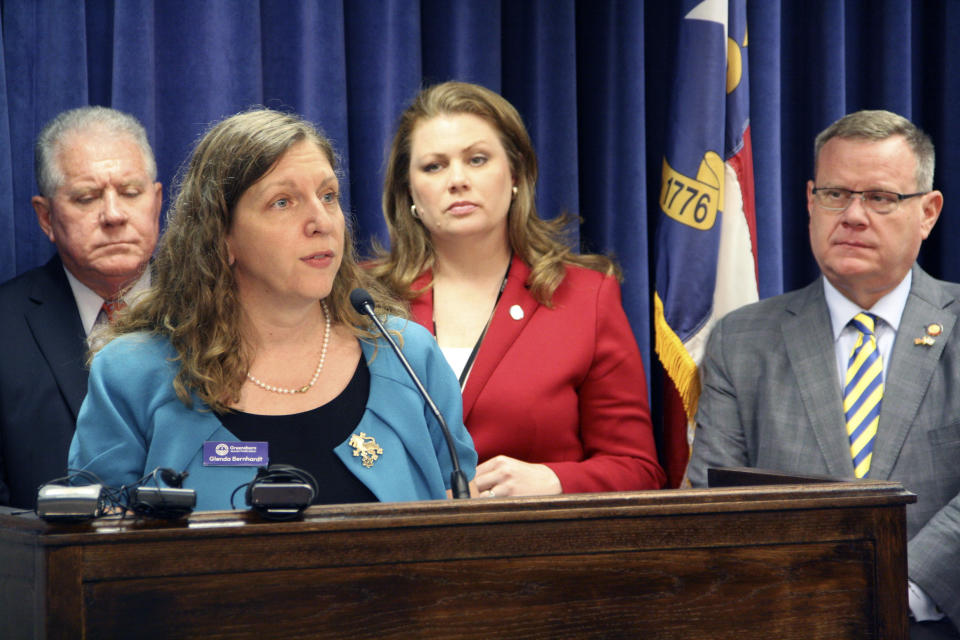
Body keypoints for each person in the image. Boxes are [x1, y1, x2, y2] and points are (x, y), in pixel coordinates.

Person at [68, 108, 477, 511]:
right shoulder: (134, 373)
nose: (321, 221)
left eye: (328, 196)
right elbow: (96, 546)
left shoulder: (407, 355)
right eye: (283, 202)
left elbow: (458, 511)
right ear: (222, 237)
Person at [687, 110, 958, 637]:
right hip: (784, 621)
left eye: (880, 197)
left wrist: (895, 590)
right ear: (811, 201)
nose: (853, 215)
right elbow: (711, 501)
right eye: (835, 194)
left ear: (928, 212)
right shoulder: (742, 340)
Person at [372, 81, 664, 497]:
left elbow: (638, 470)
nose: (457, 180)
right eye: (434, 166)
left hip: (533, 549)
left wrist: (555, 480)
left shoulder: (585, 297)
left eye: (477, 159)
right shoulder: (362, 299)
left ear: (515, 175)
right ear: (409, 193)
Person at [0, 107, 162, 508]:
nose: (113, 215)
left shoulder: (219, 308)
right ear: (46, 217)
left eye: (130, 192)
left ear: (157, 202)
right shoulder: (6, 326)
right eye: (86, 198)